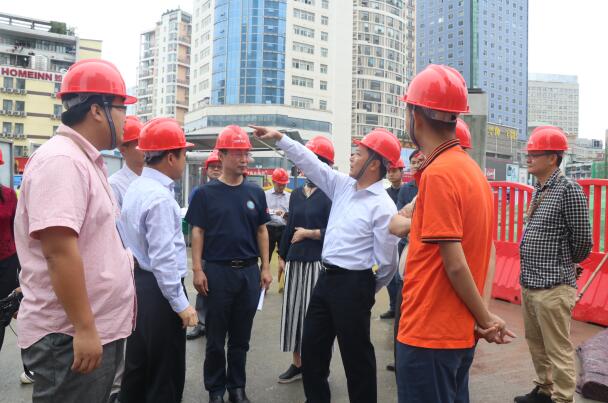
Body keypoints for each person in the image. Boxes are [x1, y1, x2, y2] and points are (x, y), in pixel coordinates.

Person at [14, 58, 137, 403]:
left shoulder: (84, 159)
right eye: (121, 108)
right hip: (70, 334)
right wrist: (84, 327)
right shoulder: (62, 161)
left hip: (90, 328)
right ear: (97, 110)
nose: (125, 119)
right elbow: (59, 252)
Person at [251, 125, 401, 403]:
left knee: (356, 358)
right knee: (312, 350)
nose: (352, 157)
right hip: (326, 278)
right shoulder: (342, 185)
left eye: (358, 153)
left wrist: (366, 289)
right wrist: (281, 139)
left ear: (374, 164)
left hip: (354, 284)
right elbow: (311, 162)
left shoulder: (383, 207)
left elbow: (388, 263)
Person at [395, 64, 513, 403]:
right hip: (457, 334)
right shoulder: (473, 173)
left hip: (429, 334)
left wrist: (485, 318)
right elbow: (486, 254)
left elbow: (456, 264)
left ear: (415, 115)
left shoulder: (439, 174)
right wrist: (481, 316)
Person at [185, 125, 272, 403]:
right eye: (237, 153)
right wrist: (197, 269)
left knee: (240, 337)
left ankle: (237, 387)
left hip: (248, 272)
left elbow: (262, 231)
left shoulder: (255, 193)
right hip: (217, 272)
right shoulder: (205, 194)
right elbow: (197, 232)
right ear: (221, 156)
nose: (244, 159)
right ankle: (215, 390)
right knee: (214, 338)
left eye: (246, 153)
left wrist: (265, 267)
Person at [117, 117, 197, 403]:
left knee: (138, 366)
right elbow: (163, 260)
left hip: (141, 285)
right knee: (166, 373)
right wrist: (181, 304)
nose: (185, 161)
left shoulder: (137, 187)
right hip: (160, 291)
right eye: (184, 154)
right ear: (171, 157)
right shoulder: (160, 198)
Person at [515, 126, 592, 403]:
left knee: (557, 348)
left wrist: (564, 262)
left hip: (553, 286)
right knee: (536, 344)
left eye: (535, 154)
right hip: (531, 283)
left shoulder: (568, 190)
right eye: (529, 153)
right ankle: (544, 390)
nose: (529, 158)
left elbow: (583, 241)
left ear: (553, 158)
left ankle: (562, 398)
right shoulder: (540, 190)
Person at [276, 136, 334, 384]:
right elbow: (290, 227)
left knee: (316, 319)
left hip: (318, 264)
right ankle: (298, 363)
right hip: (295, 261)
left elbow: (337, 232)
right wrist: (282, 256)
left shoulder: (332, 194)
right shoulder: (297, 194)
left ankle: (319, 366)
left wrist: (310, 233)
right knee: (293, 314)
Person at [385, 150, 425, 373]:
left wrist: (413, 218)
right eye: (414, 162)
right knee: (401, 314)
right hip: (407, 253)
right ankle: (399, 359)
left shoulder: (437, 183)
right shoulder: (408, 190)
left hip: (423, 261)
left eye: (421, 161)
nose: (417, 165)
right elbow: (398, 220)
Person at [0, 149, 34, 385]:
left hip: (7, 263)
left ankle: (31, 368)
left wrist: (23, 267)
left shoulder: (9, 195)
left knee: (11, 312)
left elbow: (18, 229)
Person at [187, 149, 223, 341]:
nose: (216, 170)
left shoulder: (231, 190)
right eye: (212, 167)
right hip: (205, 248)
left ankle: (220, 324)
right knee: (203, 286)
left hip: (223, 249)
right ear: (206, 170)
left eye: (219, 166)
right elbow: (195, 225)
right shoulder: (198, 193)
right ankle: (201, 323)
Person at [380, 157, 405, 320]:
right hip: (390, 237)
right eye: (389, 171)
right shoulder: (385, 193)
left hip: (404, 238)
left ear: (402, 172)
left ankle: (401, 309)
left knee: (400, 277)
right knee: (389, 276)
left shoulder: (408, 190)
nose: (390, 174)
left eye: (394, 171)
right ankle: (393, 307)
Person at [109, 115, 144, 210]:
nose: (145, 148)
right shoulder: (114, 185)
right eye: (140, 144)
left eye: (146, 143)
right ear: (123, 150)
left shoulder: (153, 179)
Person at [266, 168, 291, 264]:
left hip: (284, 229)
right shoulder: (265, 195)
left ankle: (285, 273)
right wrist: (273, 211)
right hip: (268, 229)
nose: (282, 187)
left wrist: (285, 215)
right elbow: (261, 211)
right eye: (279, 184)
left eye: (284, 184)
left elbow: (293, 214)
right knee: (266, 256)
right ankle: (263, 271)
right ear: (273, 182)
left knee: (284, 258)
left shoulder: (290, 196)